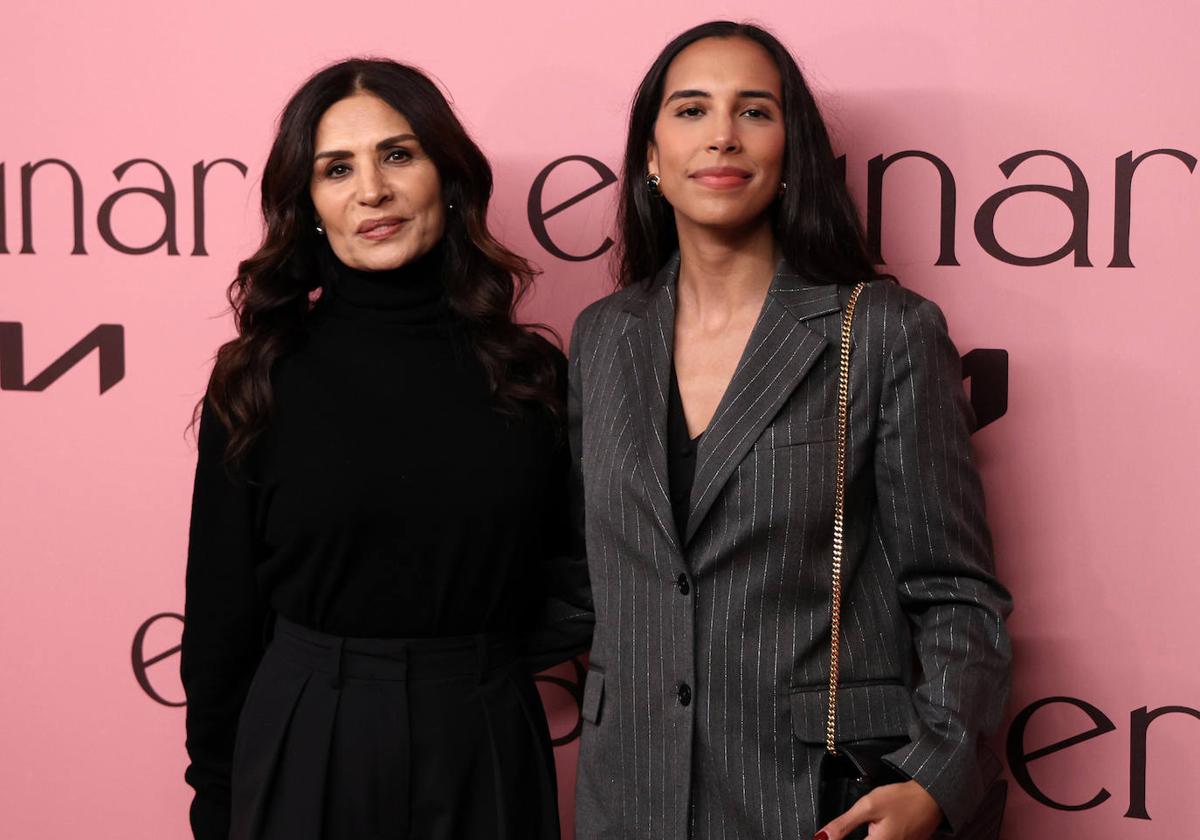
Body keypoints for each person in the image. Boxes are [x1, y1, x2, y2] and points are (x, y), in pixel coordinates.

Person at [567, 21, 1012, 840]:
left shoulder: (881, 331)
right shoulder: (601, 336)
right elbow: (592, 576)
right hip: (626, 795)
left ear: (790, 154)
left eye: (755, 111)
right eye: (692, 110)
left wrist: (936, 778)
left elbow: (957, 593)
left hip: (813, 801)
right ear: (652, 159)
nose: (723, 136)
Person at [181, 58, 591, 840]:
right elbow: (220, 621)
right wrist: (218, 796)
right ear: (308, 204)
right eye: (337, 168)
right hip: (307, 732)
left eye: (398, 155)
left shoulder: (532, 376)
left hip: (484, 731)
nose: (372, 190)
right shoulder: (260, 379)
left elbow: (580, 570)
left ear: (449, 177)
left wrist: (477, 663)